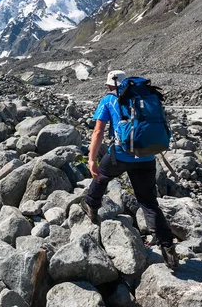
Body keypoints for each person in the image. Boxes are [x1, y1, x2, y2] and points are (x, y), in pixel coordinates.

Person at [80, 70, 179, 270]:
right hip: (146, 157)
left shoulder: (108, 100)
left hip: (121, 154)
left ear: (109, 85)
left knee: (101, 176)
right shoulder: (144, 96)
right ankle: (168, 248)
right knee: (149, 202)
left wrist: (92, 159)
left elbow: (98, 131)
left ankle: (91, 206)